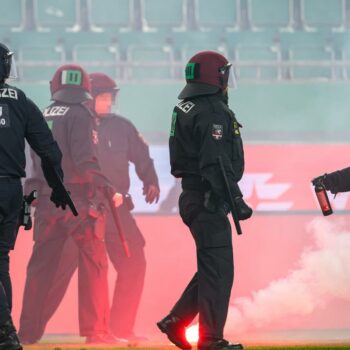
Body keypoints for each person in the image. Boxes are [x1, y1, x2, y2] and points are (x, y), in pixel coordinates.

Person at [18, 64, 123, 345]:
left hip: (46, 205)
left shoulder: (42, 113)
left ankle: (26, 333)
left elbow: (31, 162)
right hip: (77, 202)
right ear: (86, 88)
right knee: (94, 265)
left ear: (55, 86)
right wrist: (105, 186)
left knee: (39, 269)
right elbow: (84, 159)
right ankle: (97, 332)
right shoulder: (82, 114)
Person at [157, 51, 253, 350]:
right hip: (208, 198)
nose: (227, 81)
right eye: (224, 74)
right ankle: (210, 340)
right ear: (216, 77)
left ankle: (176, 321)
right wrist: (236, 200)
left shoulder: (187, 106)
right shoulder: (213, 111)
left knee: (214, 266)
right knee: (219, 270)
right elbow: (216, 164)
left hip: (193, 196)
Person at [0, 43, 66, 350]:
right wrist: (58, 187)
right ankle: (5, 332)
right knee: (1, 261)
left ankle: (5, 333)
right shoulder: (21, 101)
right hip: (11, 190)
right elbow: (48, 150)